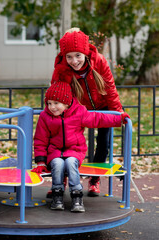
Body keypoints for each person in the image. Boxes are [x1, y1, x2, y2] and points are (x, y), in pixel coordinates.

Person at [32, 72, 130, 212]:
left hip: (74, 151)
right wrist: (41, 161)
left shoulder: (79, 112)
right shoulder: (45, 116)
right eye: (49, 103)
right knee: (58, 163)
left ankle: (77, 196)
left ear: (66, 103)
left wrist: (119, 119)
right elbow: (40, 140)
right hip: (54, 153)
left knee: (71, 163)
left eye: (56, 103)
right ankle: (57, 194)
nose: (52, 107)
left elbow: (98, 119)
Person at [50, 27, 126, 196]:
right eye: (69, 56)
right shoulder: (62, 68)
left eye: (78, 55)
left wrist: (118, 114)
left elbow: (110, 88)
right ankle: (60, 179)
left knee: (103, 144)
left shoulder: (99, 61)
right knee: (65, 141)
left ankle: (94, 180)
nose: (74, 61)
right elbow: (57, 94)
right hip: (78, 109)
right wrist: (56, 114)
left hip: (103, 106)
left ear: (85, 53)